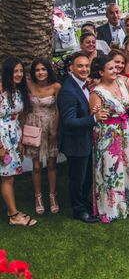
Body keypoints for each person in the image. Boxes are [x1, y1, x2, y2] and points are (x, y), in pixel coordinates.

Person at [89, 56, 129, 223]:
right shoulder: (96, 92)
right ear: (101, 72)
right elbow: (94, 115)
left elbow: (127, 104)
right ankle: (111, 207)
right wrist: (97, 114)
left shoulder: (122, 83)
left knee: (128, 166)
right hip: (108, 134)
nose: (115, 71)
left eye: (115, 68)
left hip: (126, 130)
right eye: (110, 68)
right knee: (111, 170)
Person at [57, 52, 99, 224]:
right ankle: (78, 210)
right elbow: (69, 121)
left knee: (87, 176)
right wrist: (94, 119)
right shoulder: (68, 90)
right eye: (80, 66)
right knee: (77, 178)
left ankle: (84, 202)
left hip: (85, 139)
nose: (84, 69)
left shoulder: (83, 85)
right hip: (75, 142)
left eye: (86, 66)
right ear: (71, 68)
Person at [0, 57, 36, 227]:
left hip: (13, 135)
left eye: (21, 71)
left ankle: (10, 209)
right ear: (8, 72)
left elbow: (19, 116)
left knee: (10, 175)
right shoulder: (1, 89)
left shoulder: (18, 90)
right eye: (15, 71)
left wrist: (21, 140)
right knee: (8, 177)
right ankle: (14, 215)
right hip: (2, 137)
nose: (19, 74)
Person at [25, 58, 61, 215]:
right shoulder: (28, 85)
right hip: (34, 126)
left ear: (49, 70)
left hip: (51, 126)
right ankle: (38, 197)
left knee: (52, 163)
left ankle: (52, 196)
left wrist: (55, 130)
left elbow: (59, 109)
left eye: (43, 69)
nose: (40, 72)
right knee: (37, 165)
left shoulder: (56, 86)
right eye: (37, 70)